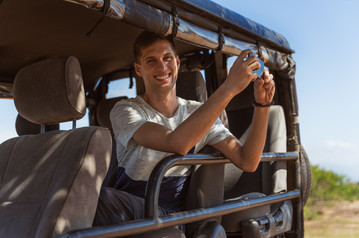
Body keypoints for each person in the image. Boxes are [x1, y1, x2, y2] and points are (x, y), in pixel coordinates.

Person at [93, 31, 275, 228]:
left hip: (167, 214)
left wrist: (262, 105)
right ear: (139, 69)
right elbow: (175, 142)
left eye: (167, 58)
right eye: (151, 60)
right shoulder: (125, 110)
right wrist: (229, 87)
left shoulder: (199, 113)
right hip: (128, 202)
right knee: (88, 196)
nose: (162, 66)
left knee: (94, 199)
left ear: (177, 62)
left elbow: (248, 161)